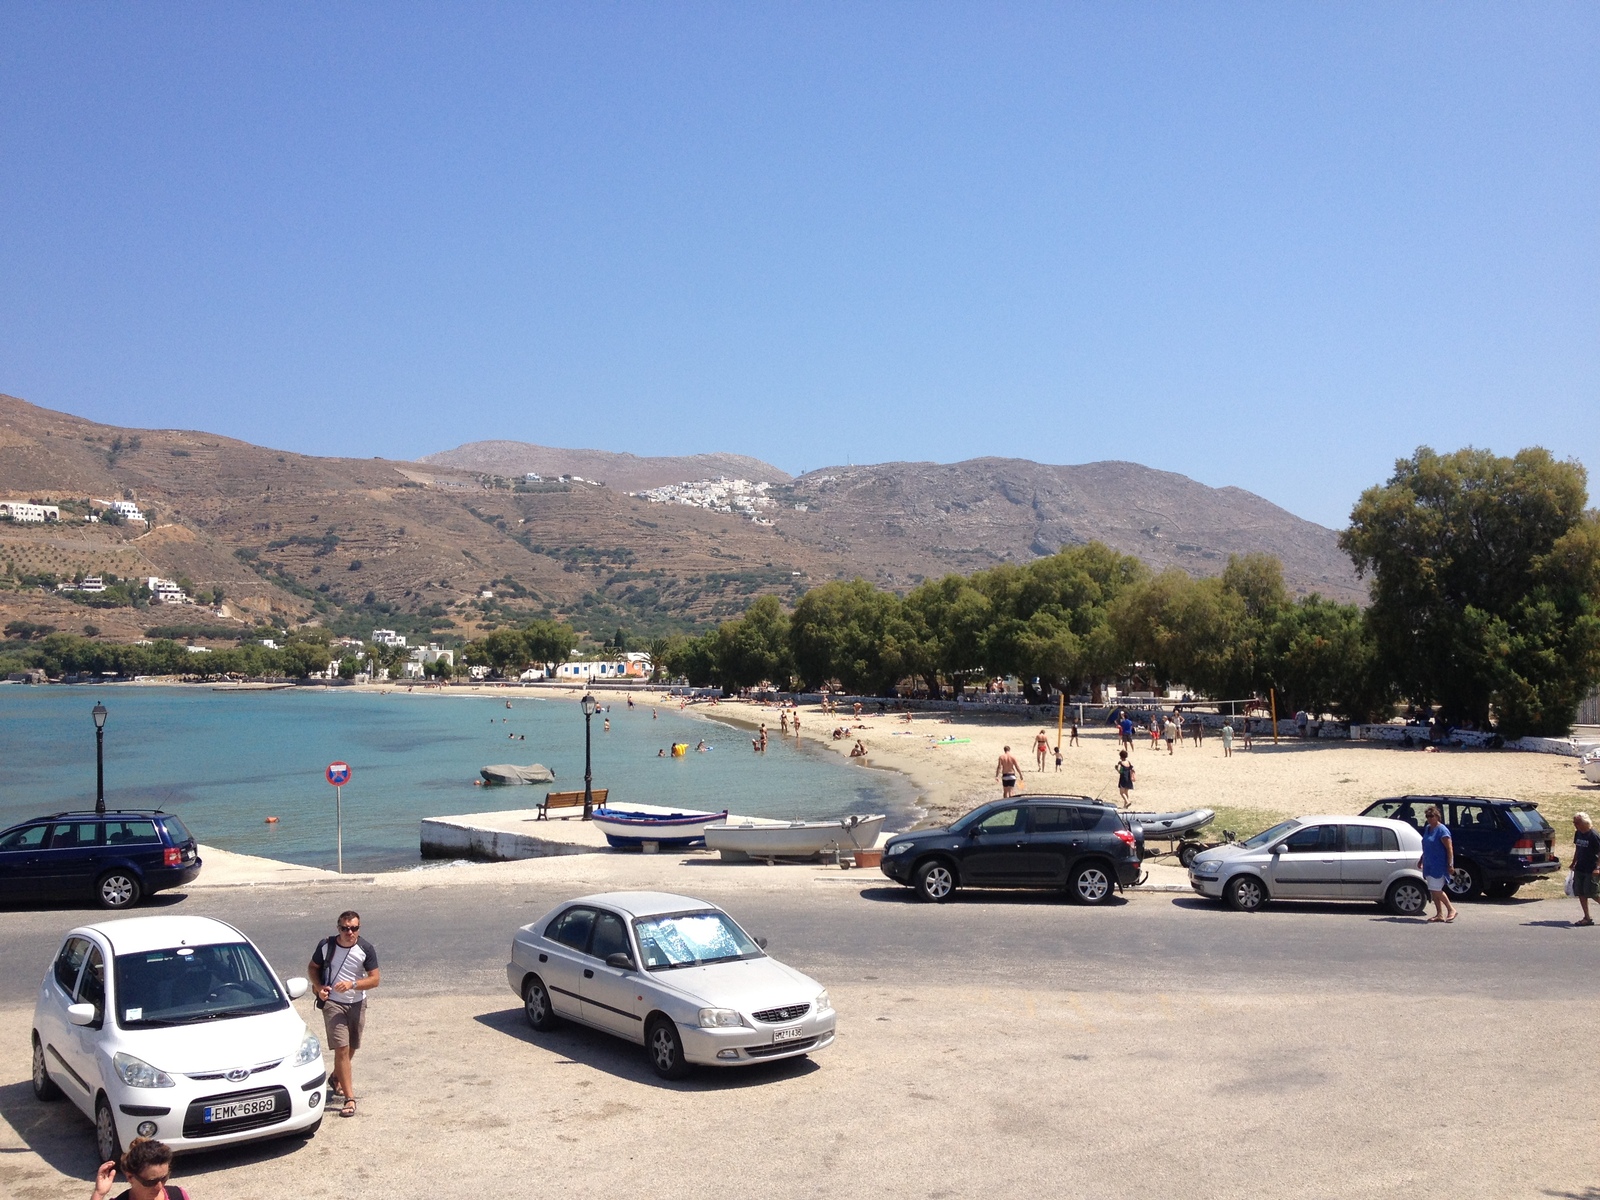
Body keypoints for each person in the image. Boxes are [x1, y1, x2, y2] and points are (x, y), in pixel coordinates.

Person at [309, 910, 381, 1117]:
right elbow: (313, 967)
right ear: (338, 928)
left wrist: (353, 984)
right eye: (345, 928)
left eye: (354, 928)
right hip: (333, 1004)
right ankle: (350, 1099)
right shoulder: (326, 946)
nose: (350, 932)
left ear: (359, 928)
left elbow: (375, 979)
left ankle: (336, 1076)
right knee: (341, 1049)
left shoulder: (365, 949)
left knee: (351, 1047)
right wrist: (319, 986)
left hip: (357, 1003)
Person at [91, 1136, 189, 1200]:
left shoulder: (178, 1196)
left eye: (164, 1178)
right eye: (150, 1182)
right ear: (130, 1177)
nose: (159, 1186)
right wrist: (99, 1194)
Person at [1420, 806, 1458, 923]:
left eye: (1431, 816)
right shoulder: (1428, 828)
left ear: (1437, 816)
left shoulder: (1442, 830)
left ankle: (1451, 909)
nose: (1429, 819)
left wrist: (1450, 864)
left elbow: (1449, 849)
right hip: (1429, 863)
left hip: (1439, 864)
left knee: (1436, 889)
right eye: (1427, 816)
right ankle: (1439, 914)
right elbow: (1427, 846)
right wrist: (1421, 859)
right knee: (1432, 890)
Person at [1572, 812, 1600, 926]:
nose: (1575, 824)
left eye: (1576, 822)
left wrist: (1598, 867)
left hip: (1592, 868)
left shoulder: (1594, 835)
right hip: (1580, 867)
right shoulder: (1578, 833)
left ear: (1584, 823)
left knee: (1593, 893)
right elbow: (1577, 849)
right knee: (1581, 892)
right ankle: (1587, 917)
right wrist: (1574, 862)